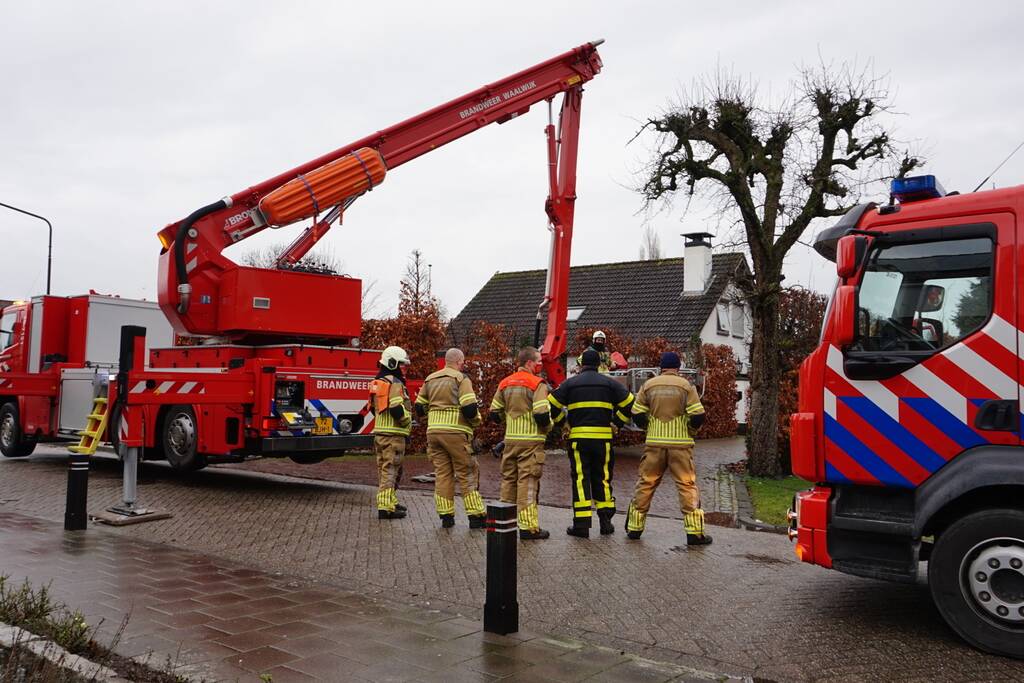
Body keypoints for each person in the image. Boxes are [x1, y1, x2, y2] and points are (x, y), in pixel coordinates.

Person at [625, 351, 712, 546]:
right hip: (680, 445)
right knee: (686, 485)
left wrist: (649, 426)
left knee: (646, 483)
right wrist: (690, 429)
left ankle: (634, 528)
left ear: (661, 367)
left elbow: (636, 413)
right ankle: (695, 534)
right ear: (678, 367)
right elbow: (698, 415)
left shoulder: (649, 385)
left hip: (654, 444)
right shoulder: (686, 386)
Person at [548, 349, 634, 538]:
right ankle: (606, 523)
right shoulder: (609, 383)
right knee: (602, 478)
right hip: (603, 440)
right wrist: (616, 423)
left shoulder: (570, 384)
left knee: (581, 479)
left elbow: (552, 403)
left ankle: (581, 525)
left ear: (581, 365)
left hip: (579, 439)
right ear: (597, 365)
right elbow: (630, 403)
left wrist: (564, 423)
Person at [415, 347, 486, 528]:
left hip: (433, 432)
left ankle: (446, 517)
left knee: (442, 474)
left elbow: (419, 407)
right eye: (463, 362)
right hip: (456, 432)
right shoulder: (461, 379)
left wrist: (432, 416)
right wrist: (476, 421)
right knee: (467, 472)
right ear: (459, 361)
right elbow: (469, 408)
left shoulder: (430, 379)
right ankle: (476, 516)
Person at [489, 346, 552, 540]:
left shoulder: (505, 383)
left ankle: (504, 522)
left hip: (510, 441)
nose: (540, 364)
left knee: (508, 480)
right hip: (531, 442)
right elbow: (542, 414)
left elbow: (494, 413)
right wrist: (550, 426)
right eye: (538, 360)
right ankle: (528, 528)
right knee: (528, 482)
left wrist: (510, 422)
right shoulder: (537, 383)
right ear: (529, 363)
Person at [368, 346, 413, 520]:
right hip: (393, 435)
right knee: (391, 470)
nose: (404, 368)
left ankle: (390, 501)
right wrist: (407, 421)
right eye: (402, 365)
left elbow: (374, 408)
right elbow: (395, 407)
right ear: (392, 363)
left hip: (380, 434)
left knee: (384, 469)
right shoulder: (394, 382)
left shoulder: (378, 381)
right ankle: (386, 507)